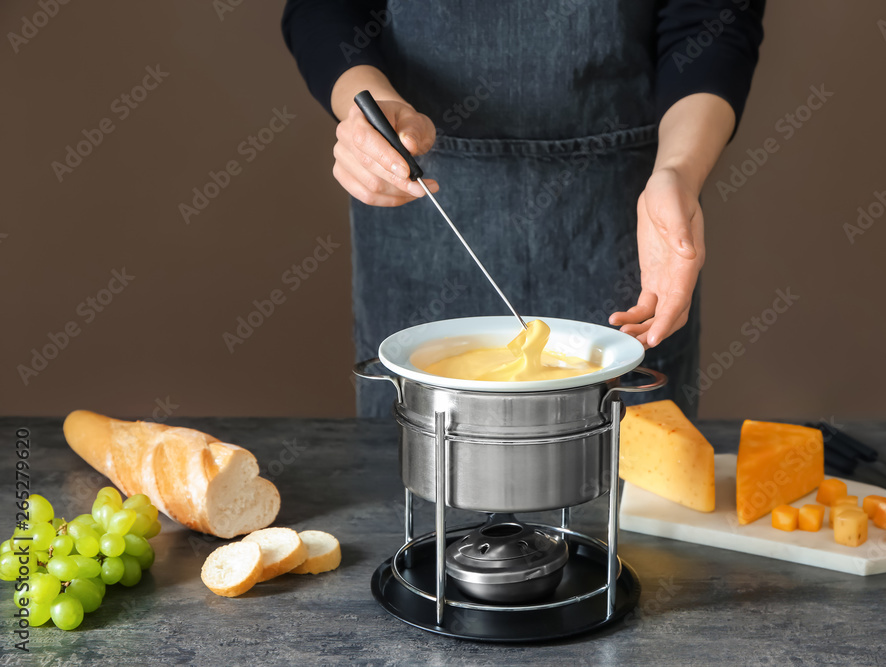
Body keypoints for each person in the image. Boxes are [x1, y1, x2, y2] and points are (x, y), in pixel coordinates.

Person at [282, 0, 765, 418]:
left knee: (634, 485)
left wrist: (677, 171)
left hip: (617, 213)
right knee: (418, 471)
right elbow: (326, 7)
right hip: (424, 201)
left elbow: (711, 18)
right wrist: (369, 107)